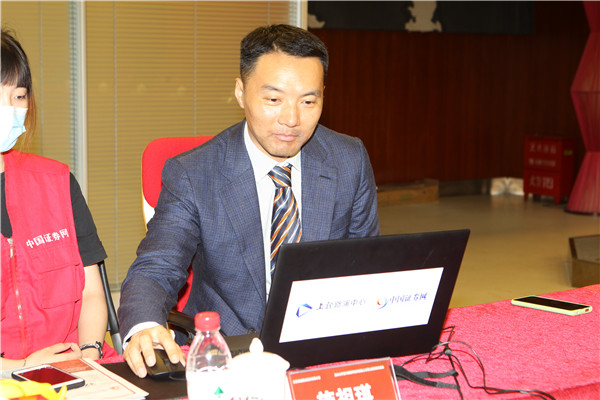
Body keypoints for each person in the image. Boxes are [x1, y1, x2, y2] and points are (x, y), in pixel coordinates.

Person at [118, 24, 380, 377]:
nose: (291, 119)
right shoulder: (194, 173)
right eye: (273, 100)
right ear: (241, 92)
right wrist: (145, 324)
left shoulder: (348, 159)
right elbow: (157, 267)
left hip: (322, 347)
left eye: (308, 101)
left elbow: (367, 263)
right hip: (229, 353)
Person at [0, 28, 111, 371]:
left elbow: (92, 292)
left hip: (73, 370)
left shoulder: (57, 182)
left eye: (18, 96)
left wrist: (90, 355)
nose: (9, 109)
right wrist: (20, 367)